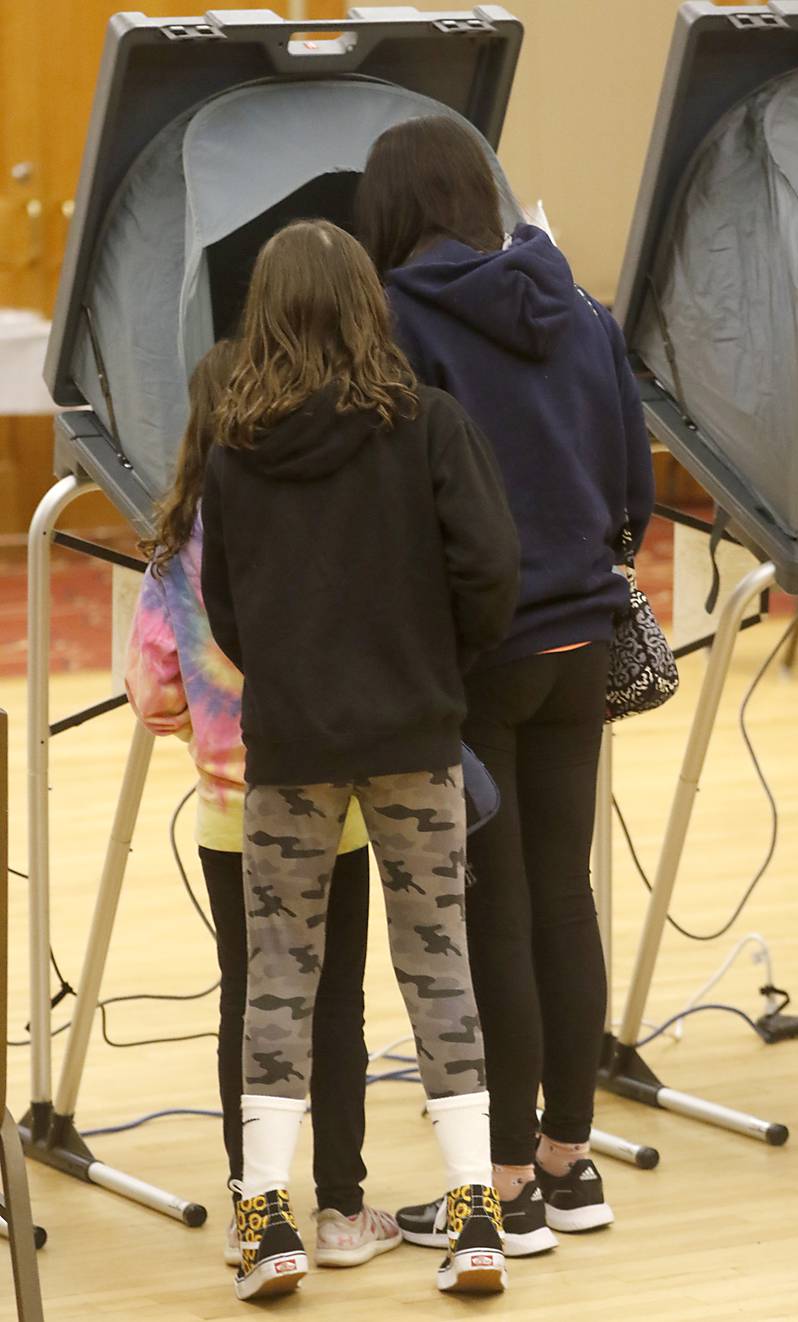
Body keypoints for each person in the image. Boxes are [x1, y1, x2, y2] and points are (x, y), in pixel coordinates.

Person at [200, 218, 521, 1301]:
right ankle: (476, 1213)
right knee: (440, 969)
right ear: (367, 306)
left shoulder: (235, 451)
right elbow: (490, 567)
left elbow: (226, 611)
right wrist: (436, 666)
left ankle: (266, 1220)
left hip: (290, 745)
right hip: (414, 733)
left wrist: (295, 678)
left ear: (265, 316)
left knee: (278, 979)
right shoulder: (428, 424)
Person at [357, 115, 655, 1253]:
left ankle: (502, 1186)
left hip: (473, 653)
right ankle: (567, 1165)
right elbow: (630, 482)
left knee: (493, 914)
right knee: (560, 894)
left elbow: (400, 501)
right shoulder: (578, 309)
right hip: (580, 639)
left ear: (388, 207)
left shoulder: (390, 317)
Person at [125, 339, 400, 1277]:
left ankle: (259, 1218)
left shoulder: (174, 543)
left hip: (232, 815)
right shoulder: (314, 519)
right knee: (337, 1005)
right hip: (339, 802)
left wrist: (204, 722)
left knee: (249, 1003)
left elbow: (151, 692)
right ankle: (344, 1212)